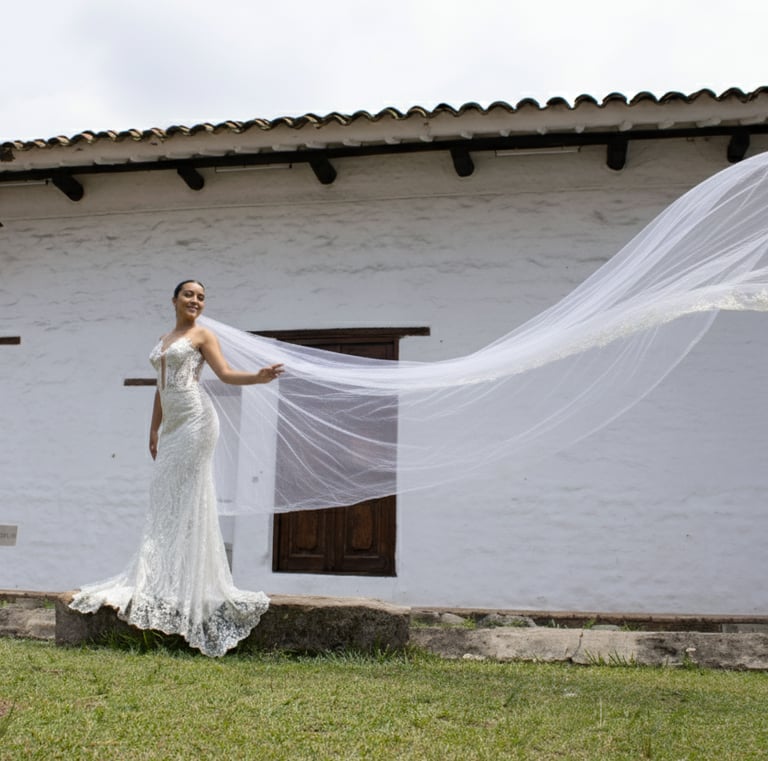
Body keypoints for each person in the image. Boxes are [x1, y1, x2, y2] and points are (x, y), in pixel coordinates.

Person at [70, 280, 284, 657]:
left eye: (201, 297)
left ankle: (187, 583)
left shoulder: (204, 335)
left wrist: (258, 377)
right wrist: (154, 427)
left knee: (187, 498)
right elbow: (161, 385)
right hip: (172, 425)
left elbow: (226, 373)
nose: (196, 301)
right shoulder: (164, 337)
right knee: (164, 498)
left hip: (198, 420)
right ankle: (162, 579)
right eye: (189, 295)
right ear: (174, 300)